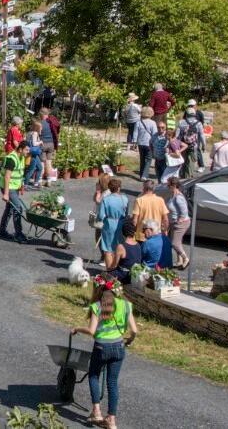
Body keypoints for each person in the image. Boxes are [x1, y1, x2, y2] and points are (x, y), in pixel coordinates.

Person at [72, 275, 137, 429]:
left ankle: (96, 411)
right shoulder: (126, 304)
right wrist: (129, 340)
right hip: (119, 347)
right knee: (112, 382)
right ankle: (111, 420)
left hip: (101, 348)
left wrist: (77, 329)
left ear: (98, 289)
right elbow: (134, 330)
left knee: (94, 375)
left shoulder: (97, 306)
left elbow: (91, 331)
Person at [0, 141, 30, 243]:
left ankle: (2, 230)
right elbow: (7, 177)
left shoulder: (22, 157)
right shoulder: (11, 158)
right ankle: (18, 234)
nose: (28, 152)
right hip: (8, 187)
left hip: (15, 187)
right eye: (26, 150)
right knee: (18, 208)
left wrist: (22, 185)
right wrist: (6, 194)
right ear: (20, 149)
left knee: (10, 209)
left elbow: (20, 172)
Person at [97, 179, 129, 270]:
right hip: (121, 223)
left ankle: (109, 270)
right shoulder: (125, 198)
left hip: (109, 224)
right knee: (119, 246)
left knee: (108, 248)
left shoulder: (106, 200)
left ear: (110, 188)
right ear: (119, 188)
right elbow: (126, 213)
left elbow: (101, 216)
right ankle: (117, 268)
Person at [165, 177, 190, 269]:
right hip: (174, 222)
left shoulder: (178, 197)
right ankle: (179, 261)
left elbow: (184, 212)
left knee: (174, 243)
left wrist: (179, 220)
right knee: (177, 242)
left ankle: (186, 259)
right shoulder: (173, 195)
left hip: (180, 223)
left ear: (174, 185)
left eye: (168, 185)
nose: (167, 187)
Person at [176, 107, 204, 177]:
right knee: (191, 162)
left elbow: (177, 135)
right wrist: (204, 145)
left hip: (182, 145)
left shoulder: (181, 122)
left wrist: (175, 145)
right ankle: (188, 176)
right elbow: (202, 136)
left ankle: (182, 174)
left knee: (182, 160)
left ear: (186, 114)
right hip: (193, 146)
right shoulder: (198, 123)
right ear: (194, 114)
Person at [39, 107, 61, 183]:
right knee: (49, 162)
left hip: (42, 144)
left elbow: (37, 135)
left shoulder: (40, 123)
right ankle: (49, 179)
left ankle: (40, 180)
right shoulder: (51, 122)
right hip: (51, 144)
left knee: (41, 162)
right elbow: (57, 132)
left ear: (41, 114)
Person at [135, 107, 158, 181]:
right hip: (149, 143)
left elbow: (135, 133)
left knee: (142, 159)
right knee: (148, 159)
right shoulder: (152, 123)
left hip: (140, 143)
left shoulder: (138, 122)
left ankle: (141, 174)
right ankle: (144, 175)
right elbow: (154, 134)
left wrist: (134, 143)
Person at [24, 121, 44, 189]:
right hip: (33, 153)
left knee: (39, 168)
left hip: (31, 153)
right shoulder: (35, 133)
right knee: (31, 169)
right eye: (41, 127)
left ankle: (36, 183)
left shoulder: (29, 133)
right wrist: (40, 142)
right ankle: (25, 184)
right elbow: (34, 144)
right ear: (37, 128)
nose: (41, 128)